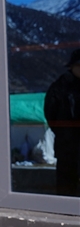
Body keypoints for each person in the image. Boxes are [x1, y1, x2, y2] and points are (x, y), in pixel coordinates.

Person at [44, 49, 80, 197]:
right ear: (73, 66)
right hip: (67, 146)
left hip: (67, 142)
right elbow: (50, 113)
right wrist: (63, 132)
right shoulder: (60, 87)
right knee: (66, 186)